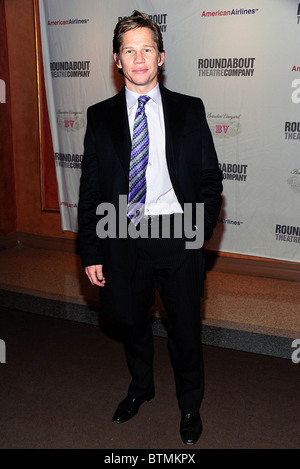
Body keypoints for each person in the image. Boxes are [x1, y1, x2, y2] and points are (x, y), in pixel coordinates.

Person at [78, 11, 223, 445]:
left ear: (160, 57)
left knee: (185, 330)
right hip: (121, 236)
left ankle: (190, 406)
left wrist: (197, 234)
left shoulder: (188, 110)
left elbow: (210, 180)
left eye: (146, 49)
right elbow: (89, 190)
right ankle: (141, 388)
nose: (138, 58)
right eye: (128, 50)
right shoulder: (99, 116)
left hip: (179, 236)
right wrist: (92, 252)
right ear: (116, 61)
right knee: (131, 322)